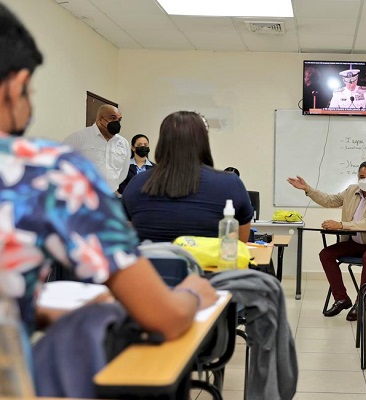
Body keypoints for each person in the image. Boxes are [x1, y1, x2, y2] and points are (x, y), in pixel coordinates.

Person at [0, 0, 217, 380]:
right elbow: (161, 316)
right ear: (16, 85)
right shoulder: (47, 171)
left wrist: (36, 310)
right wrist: (194, 294)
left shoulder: (118, 153)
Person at [287, 161, 366, 321]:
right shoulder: (352, 190)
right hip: (356, 242)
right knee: (326, 254)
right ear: (357, 177)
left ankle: (361, 302)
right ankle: (341, 299)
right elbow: (330, 201)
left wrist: (340, 225)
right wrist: (308, 190)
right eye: (362, 177)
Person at [123, 111, 254, 243]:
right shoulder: (230, 184)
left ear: (162, 143)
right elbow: (239, 246)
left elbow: (126, 240)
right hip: (208, 263)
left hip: (151, 263)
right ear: (204, 142)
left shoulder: (136, 184)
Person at [63, 104, 130, 192]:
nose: (116, 122)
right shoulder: (79, 137)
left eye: (119, 120)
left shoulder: (123, 143)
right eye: (112, 118)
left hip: (109, 196)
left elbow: (124, 171)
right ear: (100, 119)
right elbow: (61, 163)